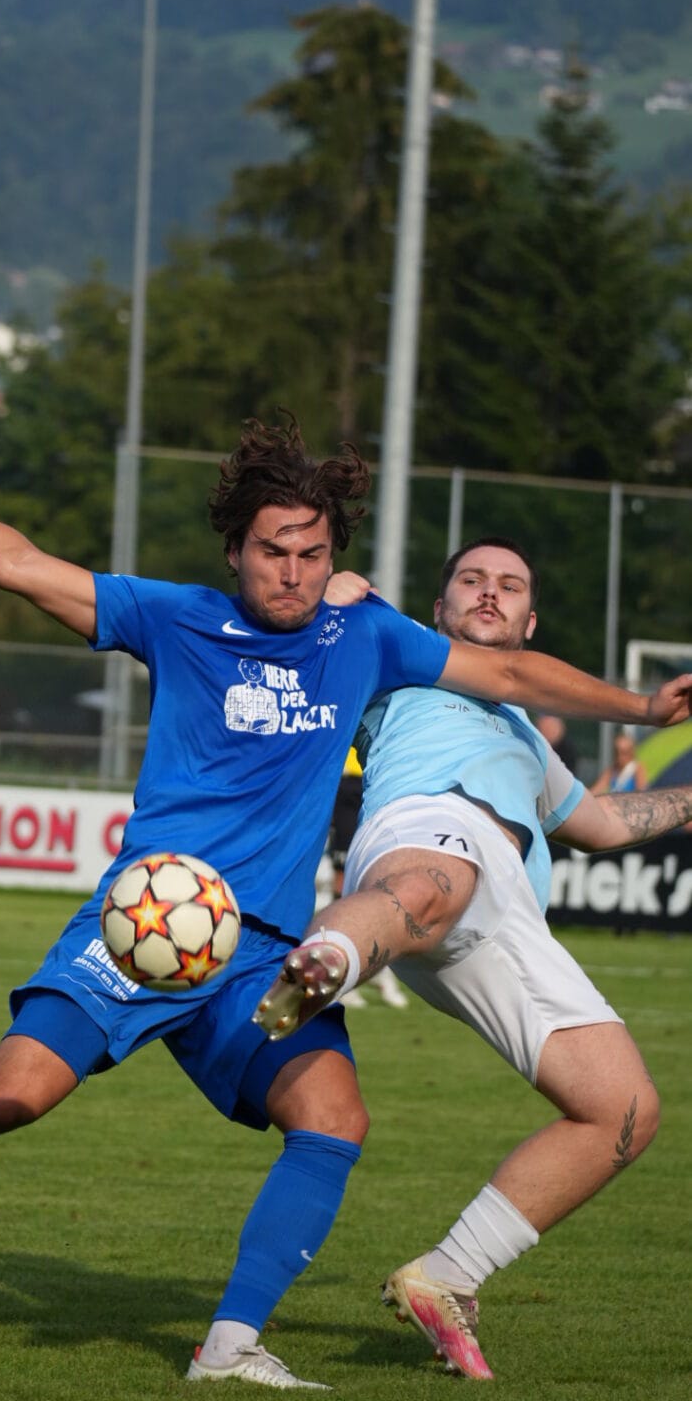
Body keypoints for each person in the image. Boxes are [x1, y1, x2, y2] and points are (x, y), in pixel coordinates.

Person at [0, 428, 692, 1391]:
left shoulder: (366, 639)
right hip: (146, 926)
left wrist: (647, 713)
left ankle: (227, 1347)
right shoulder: (173, 618)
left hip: (258, 955)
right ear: (234, 552)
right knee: (10, 1095)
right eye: (272, 552)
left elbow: (513, 674)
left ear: (332, 558)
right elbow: (12, 561)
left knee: (334, 1118)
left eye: (311, 554)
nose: (292, 573)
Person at [255, 536, 692, 1381]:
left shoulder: (528, 740)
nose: (488, 594)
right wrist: (343, 595)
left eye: (509, 587)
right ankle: (325, 957)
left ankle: (446, 1274)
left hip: (507, 917)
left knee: (623, 1110)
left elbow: (598, 827)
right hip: (424, 835)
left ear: (531, 619)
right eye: (470, 581)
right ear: (438, 608)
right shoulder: (397, 657)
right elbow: (326, 599)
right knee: (436, 876)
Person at [316, 748, 408, 1011]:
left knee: (384, 879)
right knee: (343, 883)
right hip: (346, 783)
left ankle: (381, 976)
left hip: (380, 778)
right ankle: (340, 975)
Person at [591, 728, 647, 795]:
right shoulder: (612, 770)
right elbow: (596, 789)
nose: (619, 757)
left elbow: (641, 793)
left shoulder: (637, 769)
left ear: (631, 752)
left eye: (623, 753)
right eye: (616, 752)